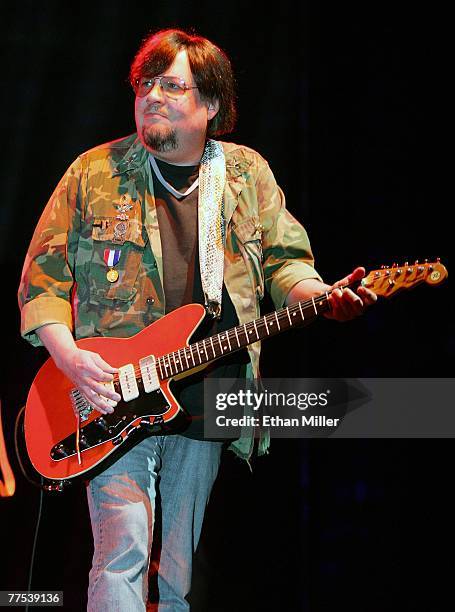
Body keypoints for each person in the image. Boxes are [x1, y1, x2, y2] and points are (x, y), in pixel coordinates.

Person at [18, 28, 376, 611]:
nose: (152, 96)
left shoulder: (245, 176)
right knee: (120, 555)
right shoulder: (94, 172)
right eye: (145, 84)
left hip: (210, 387)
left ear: (210, 105)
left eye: (172, 85)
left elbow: (288, 265)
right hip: (111, 392)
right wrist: (70, 358)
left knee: (177, 577)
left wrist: (323, 295)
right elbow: (43, 278)